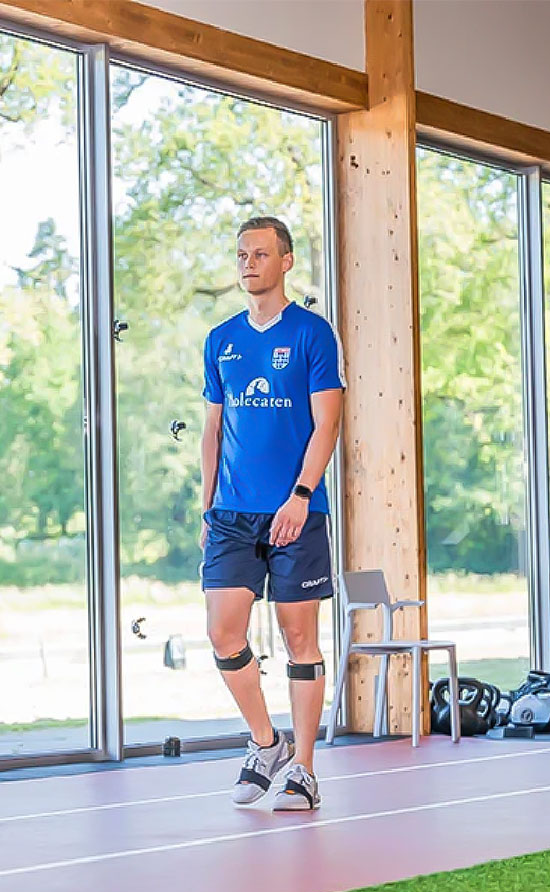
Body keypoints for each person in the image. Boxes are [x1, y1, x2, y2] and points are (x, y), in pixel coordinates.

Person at [199, 216, 344, 811]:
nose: (248, 263)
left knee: (298, 637)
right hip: (232, 514)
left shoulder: (312, 333)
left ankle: (304, 768)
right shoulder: (220, 339)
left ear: (286, 261)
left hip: (297, 511)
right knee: (222, 631)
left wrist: (301, 495)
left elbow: (327, 421)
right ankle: (266, 742)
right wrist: (207, 504)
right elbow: (213, 427)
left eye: (260, 254)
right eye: (241, 255)